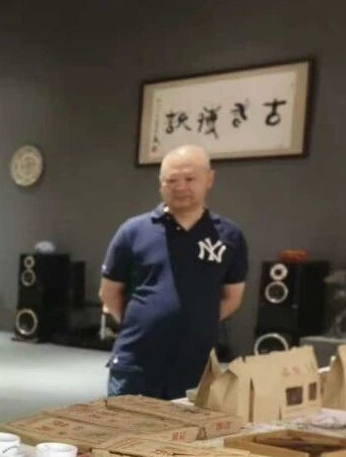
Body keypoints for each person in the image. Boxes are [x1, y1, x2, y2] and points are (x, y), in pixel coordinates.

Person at [99, 144, 248, 400]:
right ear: (161, 184)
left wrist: (196, 320)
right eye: (171, 180)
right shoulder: (133, 231)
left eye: (190, 179)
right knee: (124, 426)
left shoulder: (229, 236)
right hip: (135, 362)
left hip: (196, 366)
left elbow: (232, 297)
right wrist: (143, 322)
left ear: (209, 179)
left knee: (187, 426)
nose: (180, 187)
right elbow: (109, 293)